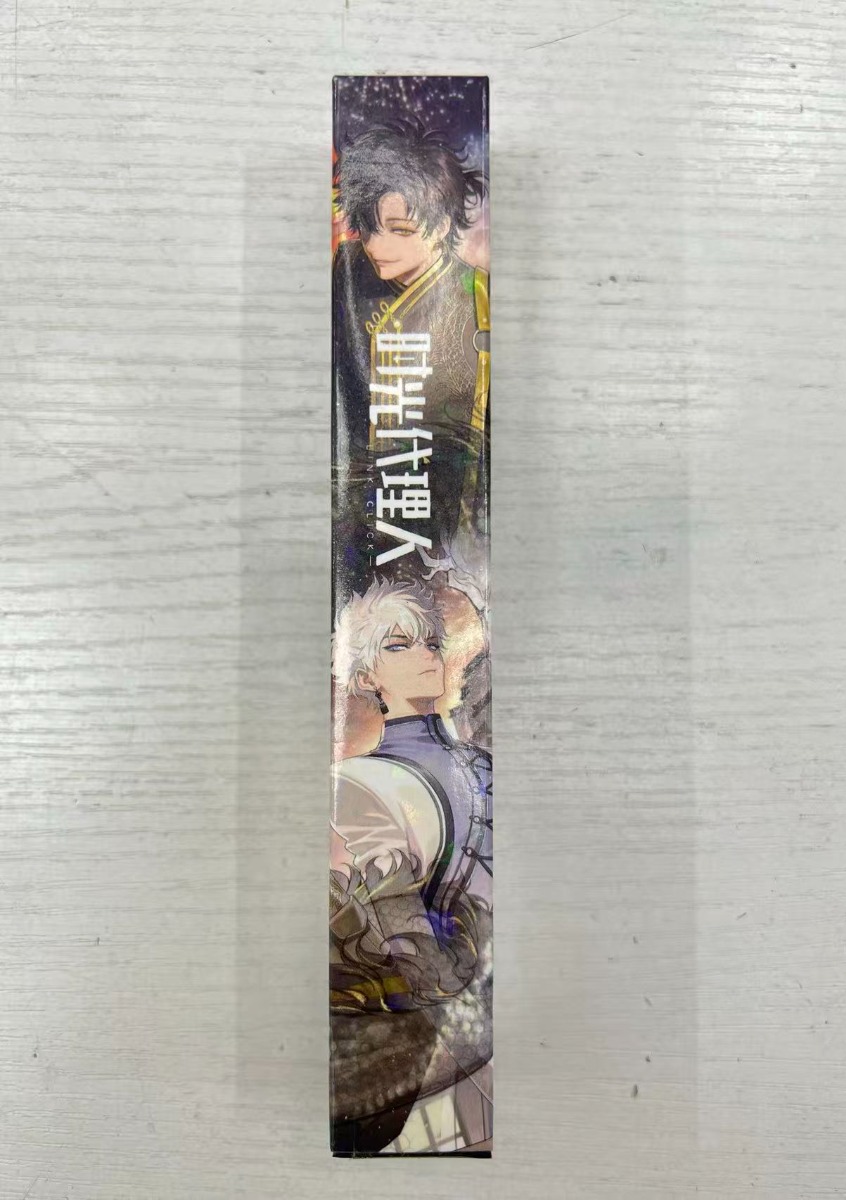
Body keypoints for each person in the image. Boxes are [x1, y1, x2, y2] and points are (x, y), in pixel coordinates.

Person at [329, 576, 492, 1154]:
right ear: (366, 677)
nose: (427, 655)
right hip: (454, 1015)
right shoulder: (358, 780)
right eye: (399, 645)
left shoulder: (482, 762)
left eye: (431, 642)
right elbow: (404, 932)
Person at [332, 117, 490, 602]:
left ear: (441, 225)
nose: (379, 247)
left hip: (438, 530)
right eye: (370, 229)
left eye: (401, 230)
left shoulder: (476, 298)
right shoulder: (346, 271)